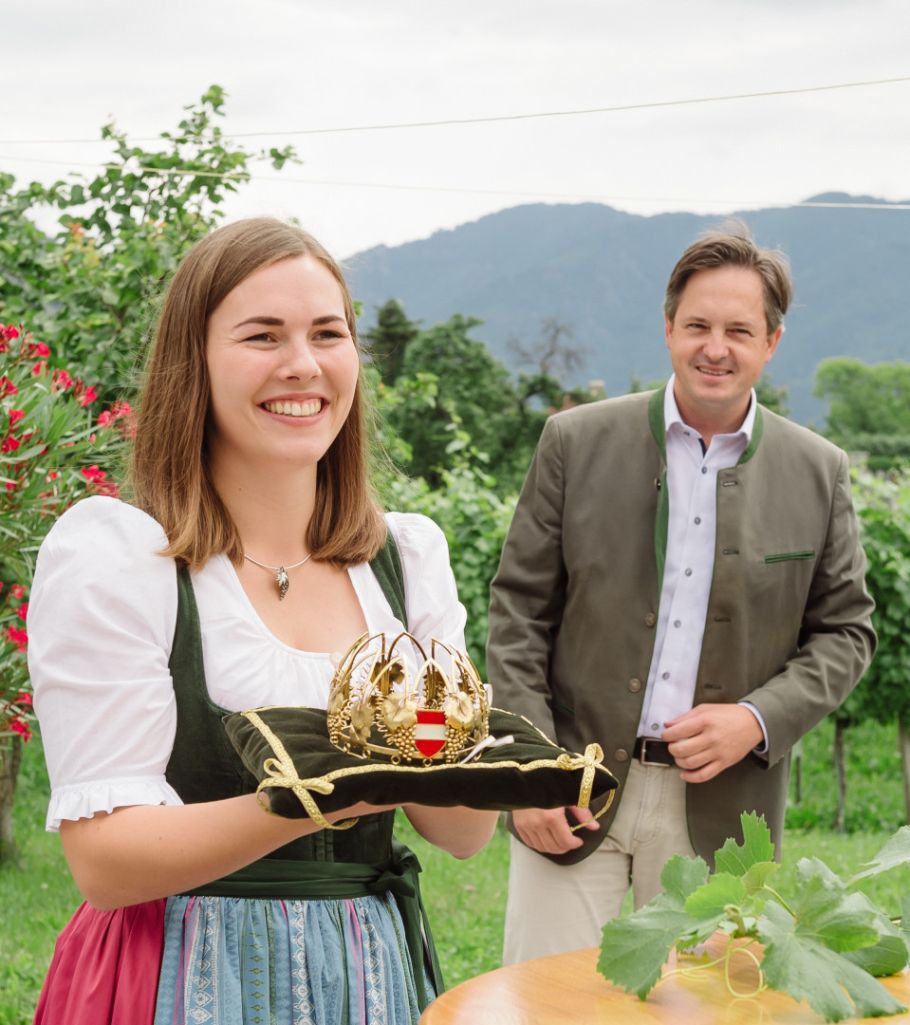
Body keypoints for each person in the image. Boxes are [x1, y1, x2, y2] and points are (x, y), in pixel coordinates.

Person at [28, 217, 498, 1024]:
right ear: (194, 362)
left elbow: (462, 832)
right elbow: (106, 861)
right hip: (178, 972)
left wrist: (471, 754)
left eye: (328, 333)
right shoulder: (124, 557)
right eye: (262, 335)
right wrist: (318, 797)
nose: (304, 364)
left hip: (365, 975)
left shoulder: (405, 560)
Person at [487, 225, 876, 964]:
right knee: (545, 1005)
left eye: (739, 330)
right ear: (668, 328)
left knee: (698, 1009)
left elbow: (847, 631)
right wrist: (530, 769)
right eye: (697, 325)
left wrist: (756, 719)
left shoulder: (818, 470)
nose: (714, 348)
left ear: (772, 341)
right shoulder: (573, 441)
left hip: (725, 810)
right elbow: (518, 614)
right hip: (571, 789)